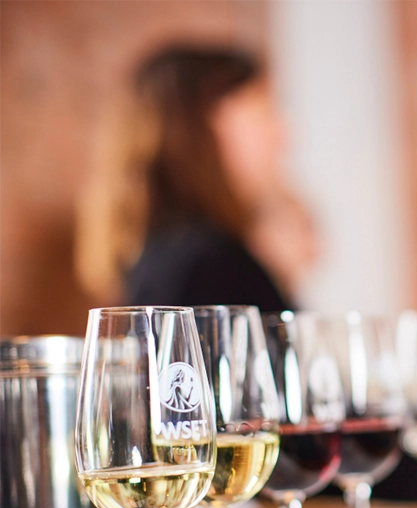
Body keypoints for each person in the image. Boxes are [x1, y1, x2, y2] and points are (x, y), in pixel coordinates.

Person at [75, 45, 318, 310]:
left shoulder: (172, 251)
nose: (282, 134)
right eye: (263, 111)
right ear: (206, 127)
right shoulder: (211, 265)